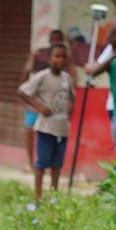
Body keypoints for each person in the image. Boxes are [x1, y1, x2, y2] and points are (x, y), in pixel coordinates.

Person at [18, 44, 75, 201]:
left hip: (62, 129)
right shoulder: (42, 77)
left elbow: (72, 98)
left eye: (63, 57)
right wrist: (38, 106)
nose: (60, 60)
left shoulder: (67, 78)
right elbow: (22, 91)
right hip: (45, 128)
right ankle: (38, 198)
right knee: (42, 164)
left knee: (57, 165)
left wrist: (69, 112)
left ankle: (54, 196)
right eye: (57, 56)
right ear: (50, 59)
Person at [22, 29, 68, 169]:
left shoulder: (65, 60)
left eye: (58, 39)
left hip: (54, 105)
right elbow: (26, 75)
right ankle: (31, 163)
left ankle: (47, 164)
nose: (55, 42)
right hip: (37, 102)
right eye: (53, 39)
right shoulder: (39, 54)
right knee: (30, 130)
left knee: (53, 135)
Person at [87, 26, 116, 124]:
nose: (114, 49)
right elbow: (92, 69)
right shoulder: (111, 50)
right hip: (115, 106)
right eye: (112, 46)